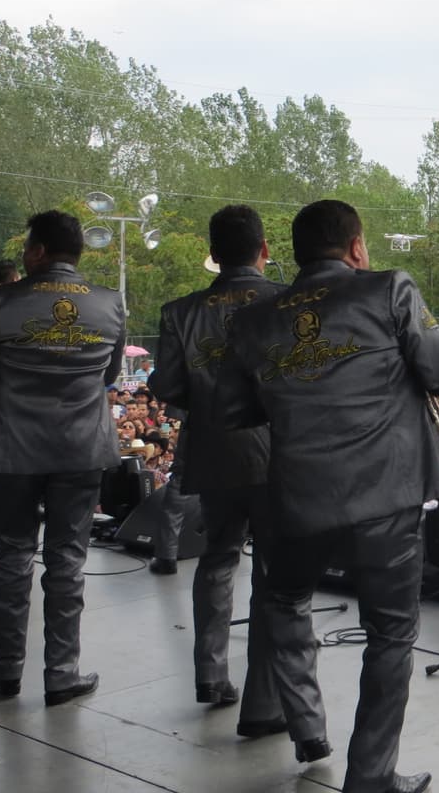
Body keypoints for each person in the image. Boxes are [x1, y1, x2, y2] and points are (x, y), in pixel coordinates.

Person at [220, 199, 439, 793]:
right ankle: (371, 775)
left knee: (282, 599)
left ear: (295, 253)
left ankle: (306, 726)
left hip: (296, 496)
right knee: (391, 634)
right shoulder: (389, 289)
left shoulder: (253, 319)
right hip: (387, 494)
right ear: (356, 247)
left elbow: (233, 409)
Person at [148, 206, 286, 735]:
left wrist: (208, 403)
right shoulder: (286, 300)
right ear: (264, 249)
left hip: (211, 451)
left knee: (218, 559)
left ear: (213, 254)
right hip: (277, 453)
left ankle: (210, 673)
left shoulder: (180, 311)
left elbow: (166, 385)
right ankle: (264, 701)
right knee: (274, 573)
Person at [0, 211, 125, 704]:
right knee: (67, 559)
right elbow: (108, 374)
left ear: (39, 251)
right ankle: (61, 674)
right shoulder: (110, 304)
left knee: (12, 555)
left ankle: (6, 668)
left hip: (11, 449)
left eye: (28, 245)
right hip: (81, 449)